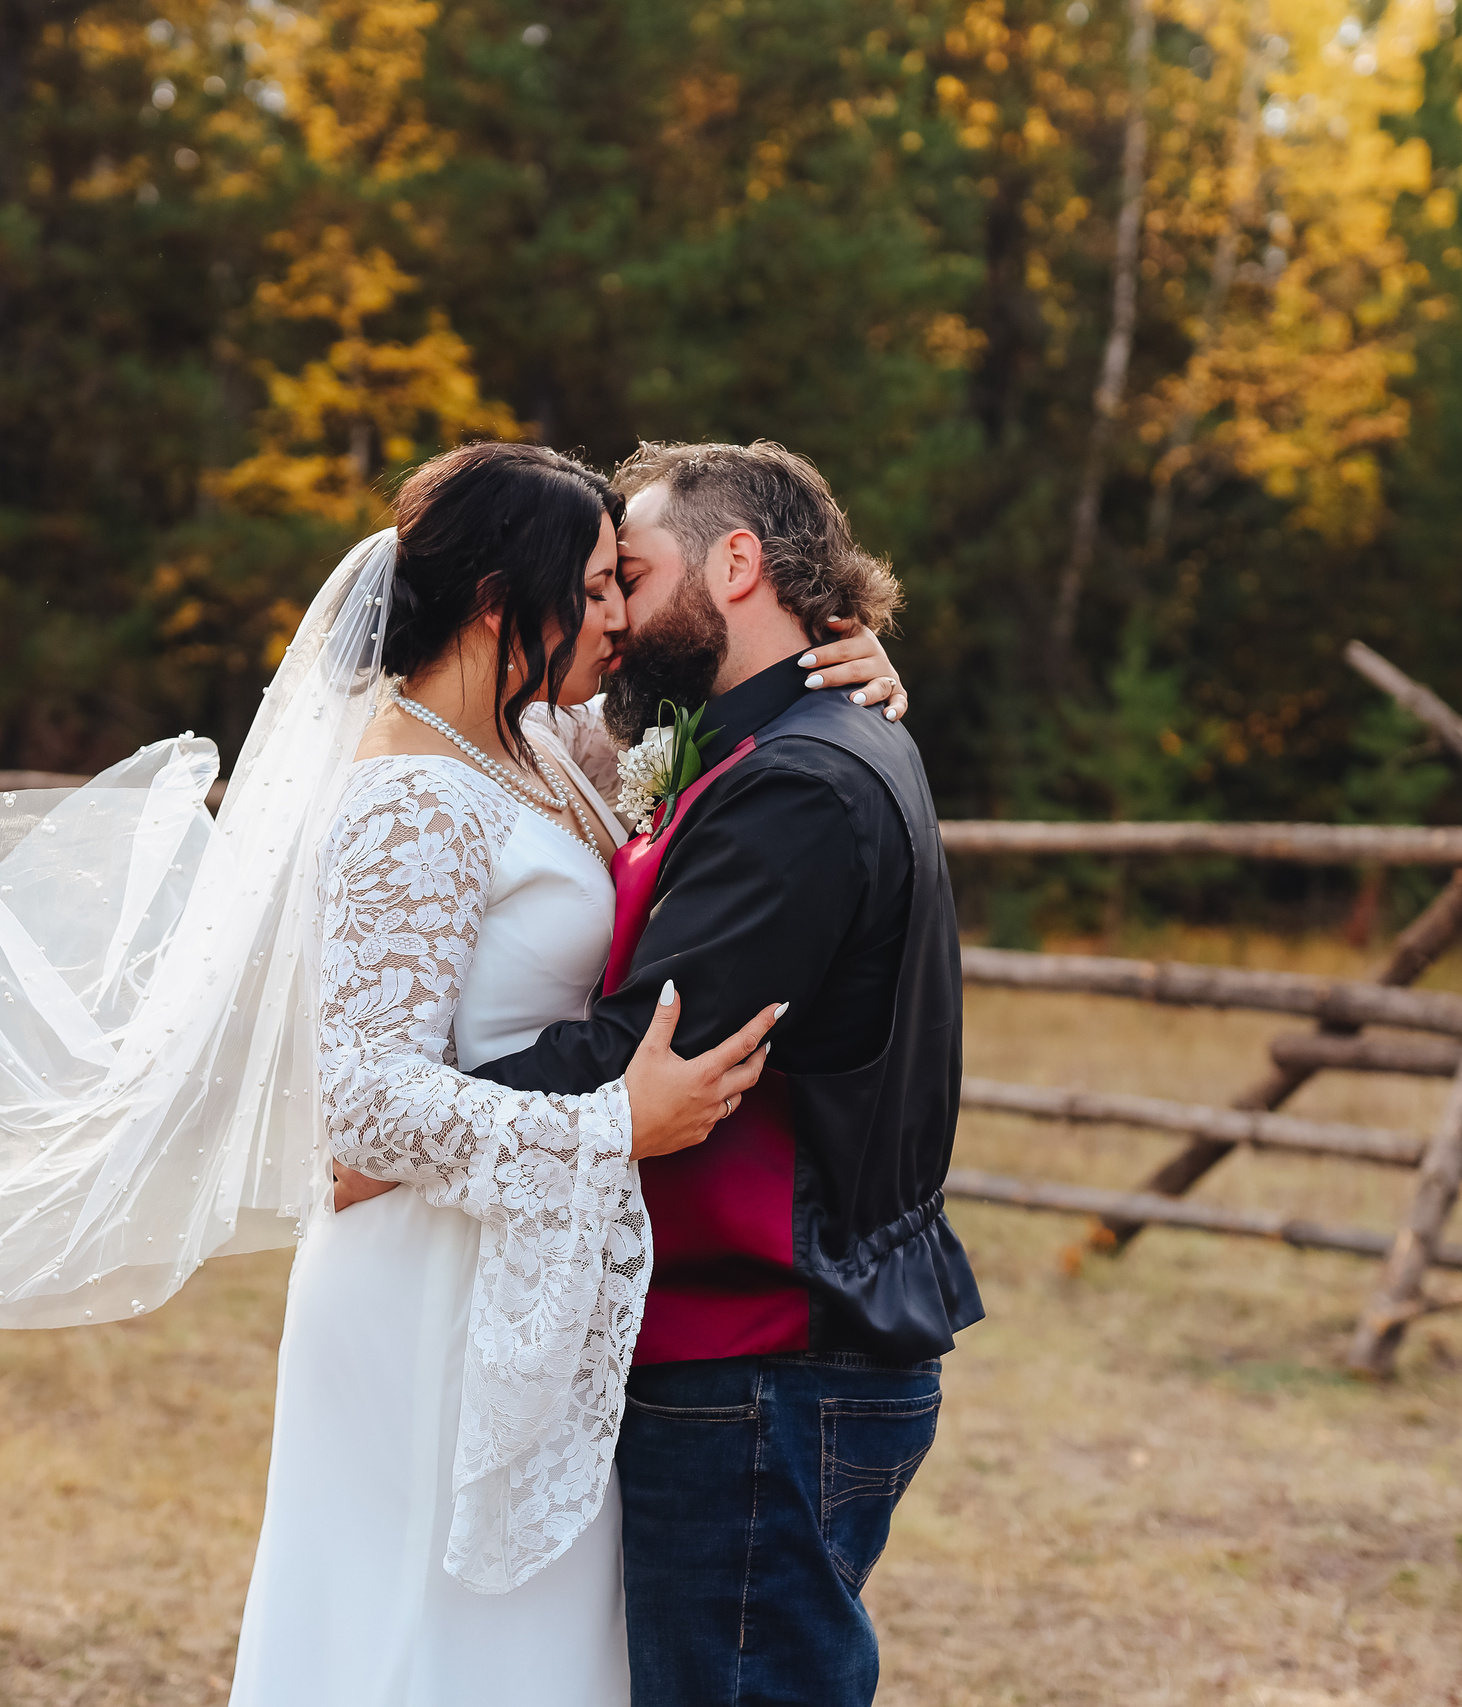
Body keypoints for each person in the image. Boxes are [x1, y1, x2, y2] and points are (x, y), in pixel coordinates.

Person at [0, 439, 911, 1707]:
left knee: (547, 1649)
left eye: (624, 582)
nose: (618, 616)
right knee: (425, 1642)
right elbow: (365, 1103)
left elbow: (735, 712)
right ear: (500, 600)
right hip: (420, 1277)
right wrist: (612, 1124)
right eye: (595, 588)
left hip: (520, 1261)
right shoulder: (409, 797)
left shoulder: (545, 743)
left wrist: (854, 668)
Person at [467, 441, 983, 1707]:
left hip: (763, 1353)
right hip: (761, 1349)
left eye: (630, 576)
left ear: (736, 563)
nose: (610, 615)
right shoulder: (782, 743)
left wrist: (414, 1114)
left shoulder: (803, 780)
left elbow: (648, 1048)